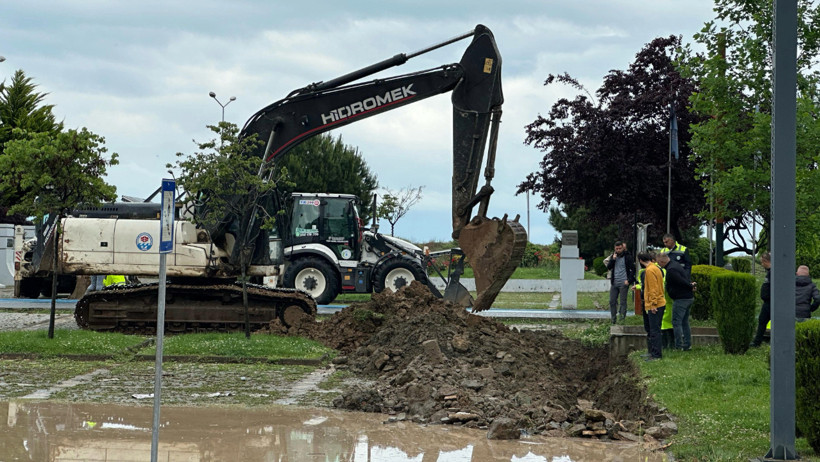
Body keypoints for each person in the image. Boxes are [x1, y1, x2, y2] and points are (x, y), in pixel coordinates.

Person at [656, 252, 695, 350]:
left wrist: (690, 286)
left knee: (676, 322)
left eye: (658, 263)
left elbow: (680, 281)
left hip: (681, 299)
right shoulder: (675, 265)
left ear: (661, 261)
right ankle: (687, 344)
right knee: (684, 322)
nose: (658, 265)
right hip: (688, 297)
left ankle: (679, 345)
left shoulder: (671, 270)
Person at [639, 252, 665, 361]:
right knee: (655, 329)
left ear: (640, 261)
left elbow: (653, 288)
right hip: (659, 302)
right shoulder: (656, 268)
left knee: (654, 330)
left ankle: (656, 355)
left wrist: (653, 304)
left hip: (654, 304)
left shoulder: (649, 271)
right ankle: (653, 353)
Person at [604, 240, 636, 324]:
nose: (618, 250)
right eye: (617, 249)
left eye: (620, 248)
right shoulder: (613, 257)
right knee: (612, 301)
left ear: (623, 248)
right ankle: (613, 319)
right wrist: (613, 259)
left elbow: (633, 269)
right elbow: (609, 267)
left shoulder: (628, 257)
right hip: (614, 282)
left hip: (623, 282)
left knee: (623, 302)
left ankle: (622, 319)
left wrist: (629, 280)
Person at [750, 252, 771, 347]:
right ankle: (757, 342)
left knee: (764, 321)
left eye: (762, 262)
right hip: (767, 302)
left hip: (771, 302)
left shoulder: (773, 272)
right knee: (762, 321)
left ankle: (758, 342)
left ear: (766, 261)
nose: (762, 264)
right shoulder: (769, 272)